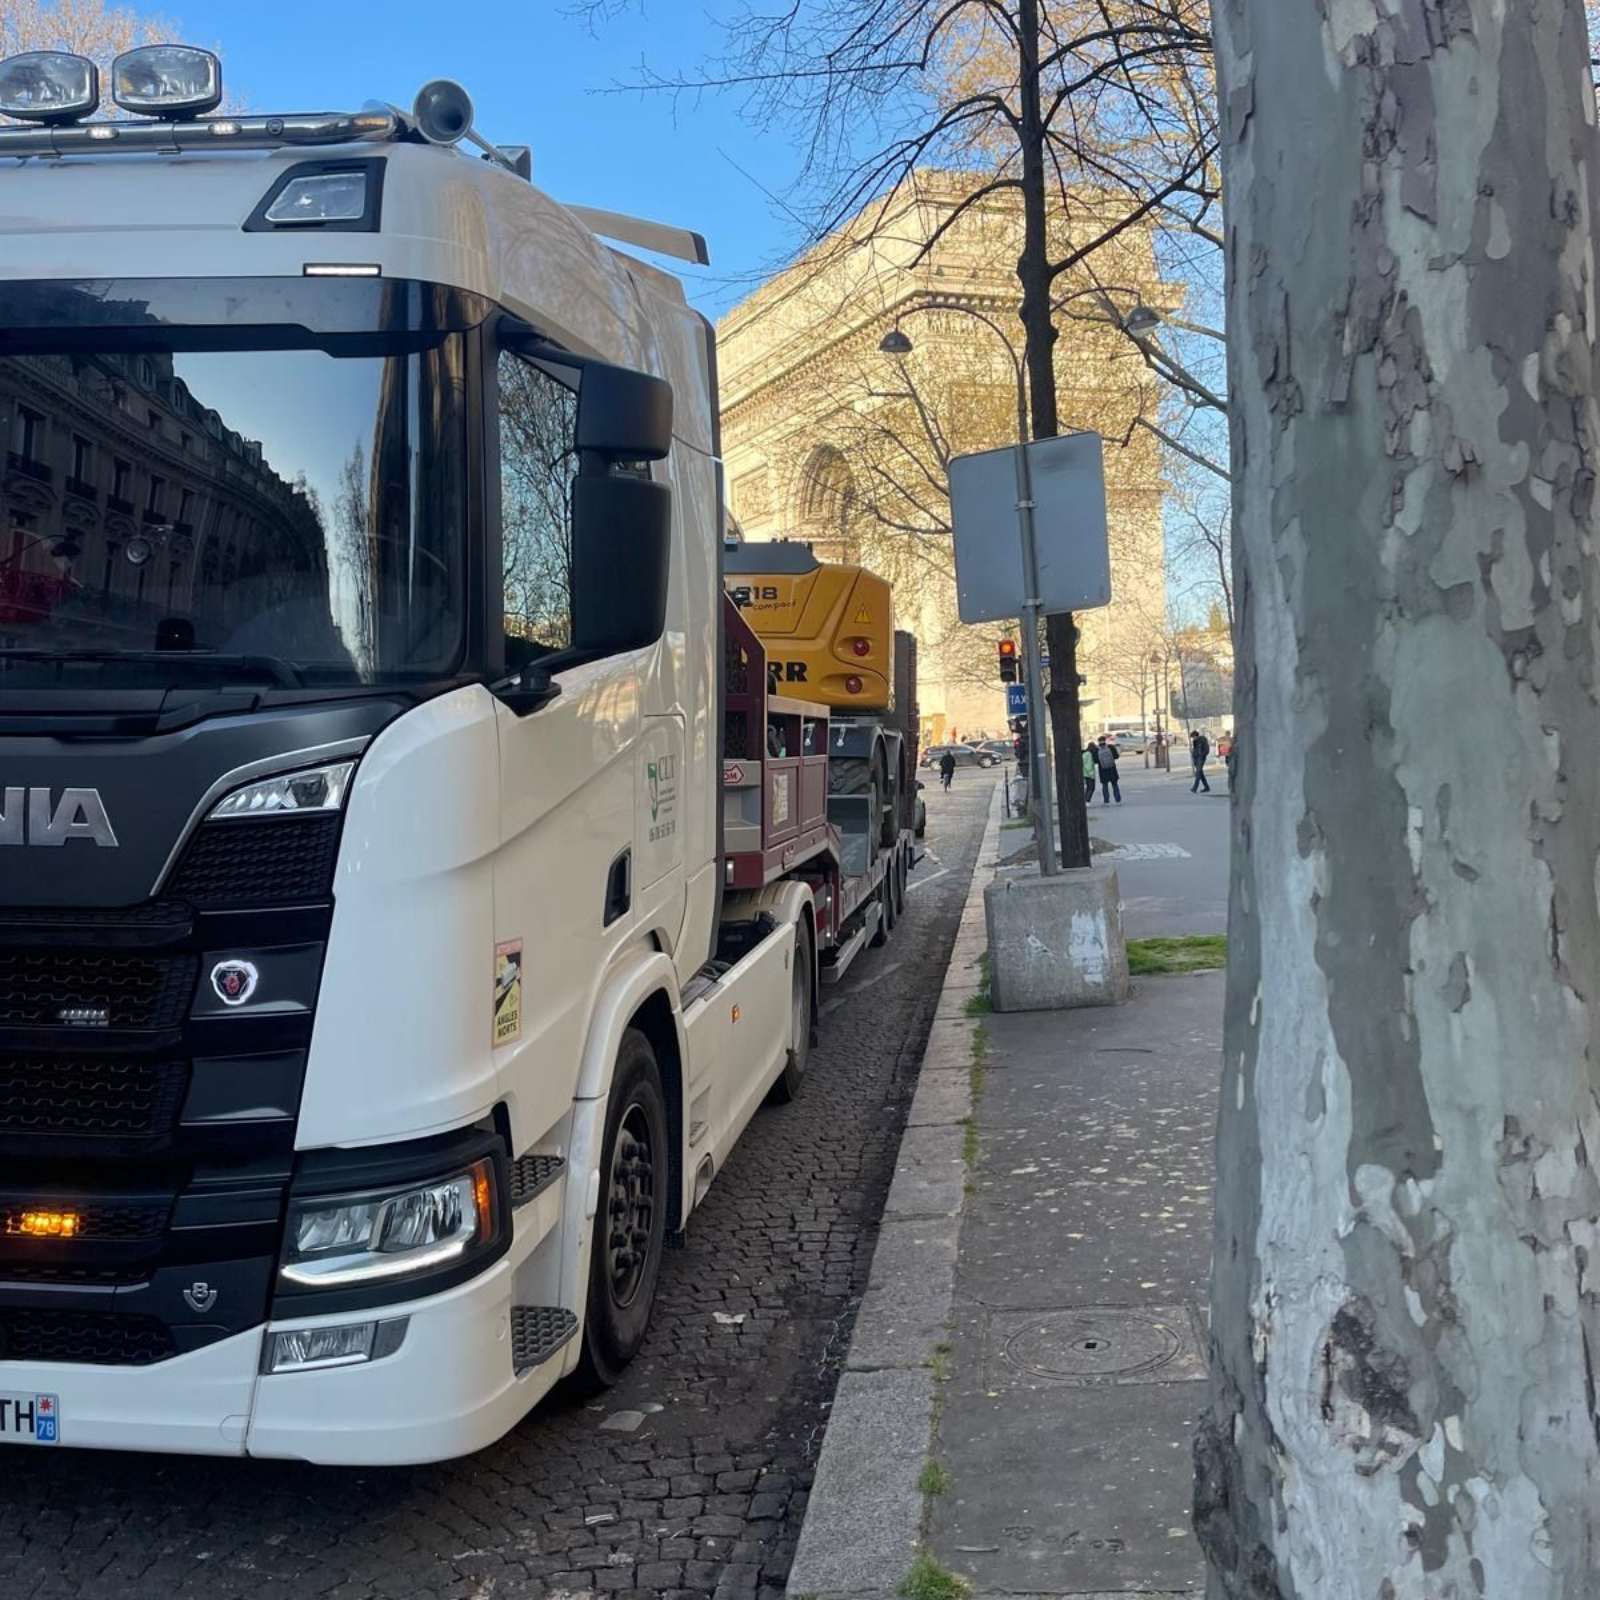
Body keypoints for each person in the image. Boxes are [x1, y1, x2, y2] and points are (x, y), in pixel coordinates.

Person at [1094, 735, 1122, 804]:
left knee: (1105, 785)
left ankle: (1106, 800)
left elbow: (1096, 760)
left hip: (1103, 770)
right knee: (1115, 784)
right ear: (1105, 740)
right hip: (1112, 769)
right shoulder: (1111, 747)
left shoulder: (1097, 750)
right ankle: (1117, 799)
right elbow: (1116, 756)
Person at [1190, 729, 1212, 794]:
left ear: (1196, 736)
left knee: (1198, 773)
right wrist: (1193, 753)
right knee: (1200, 774)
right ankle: (1206, 787)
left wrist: (1202, 755)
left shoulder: (1202, 740)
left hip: (1201, 758)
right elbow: (1195, 750)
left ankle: (1195, 787)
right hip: (1196, 758)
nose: (1193, 739)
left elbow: (1207, 749)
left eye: (1193, 737)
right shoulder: (1195, 742)